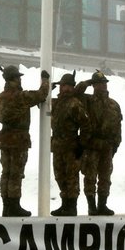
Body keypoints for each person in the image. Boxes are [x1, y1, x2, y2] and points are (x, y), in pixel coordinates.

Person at [0, 65, 51, 217]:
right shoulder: (20, 96)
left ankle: (6, 206)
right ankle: (14, 205)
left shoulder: (1, 96)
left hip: (5, 137)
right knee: (16, 173)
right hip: (18, 138)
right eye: (18, 77)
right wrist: (46, 81)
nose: (20, 79)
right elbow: (41, 94)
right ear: (14, 79)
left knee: (6, 172)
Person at [80, 72, 122, 216]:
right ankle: (92, 206)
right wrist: (86, 82)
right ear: (94, 85)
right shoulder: (87, 100)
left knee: (105, 177)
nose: (102, 86)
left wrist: (115, 144)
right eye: (98, 83)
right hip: (92, 145)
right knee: (90, 177)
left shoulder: (113, 104)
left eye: (104, 83)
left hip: (108, 145)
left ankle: (102, 205)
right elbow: (76, 93)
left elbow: (117, 125)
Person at [49, 72, 92, 216]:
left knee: (71, 178)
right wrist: (48, 89)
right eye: (64, 85)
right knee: (59, 176)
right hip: (57, 147)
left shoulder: (75, 104)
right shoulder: (55, 103)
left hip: (71, 148)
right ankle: (64, 204)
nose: (66, 88)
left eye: (69, 86)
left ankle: (71, 206)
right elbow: (41, 104)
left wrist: (81, 143)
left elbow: (86, 124)